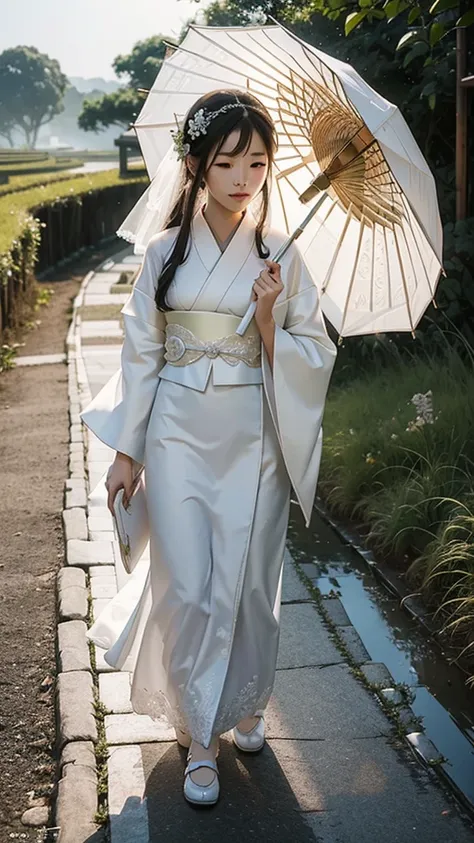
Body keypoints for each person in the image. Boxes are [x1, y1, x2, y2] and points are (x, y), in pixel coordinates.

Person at [80, 89, 337, 806]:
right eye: (227, 160)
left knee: (251, 585)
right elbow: (140, 353)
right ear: (194, 164)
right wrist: (127, 450)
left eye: (257, 161)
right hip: (176, 438)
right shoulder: (164, 254)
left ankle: (247, 701)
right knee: (189, 585)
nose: (244, 176)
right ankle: (200, 736)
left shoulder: (282, 253)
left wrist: (266, 317)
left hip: (255, 439)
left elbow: (313, 349)